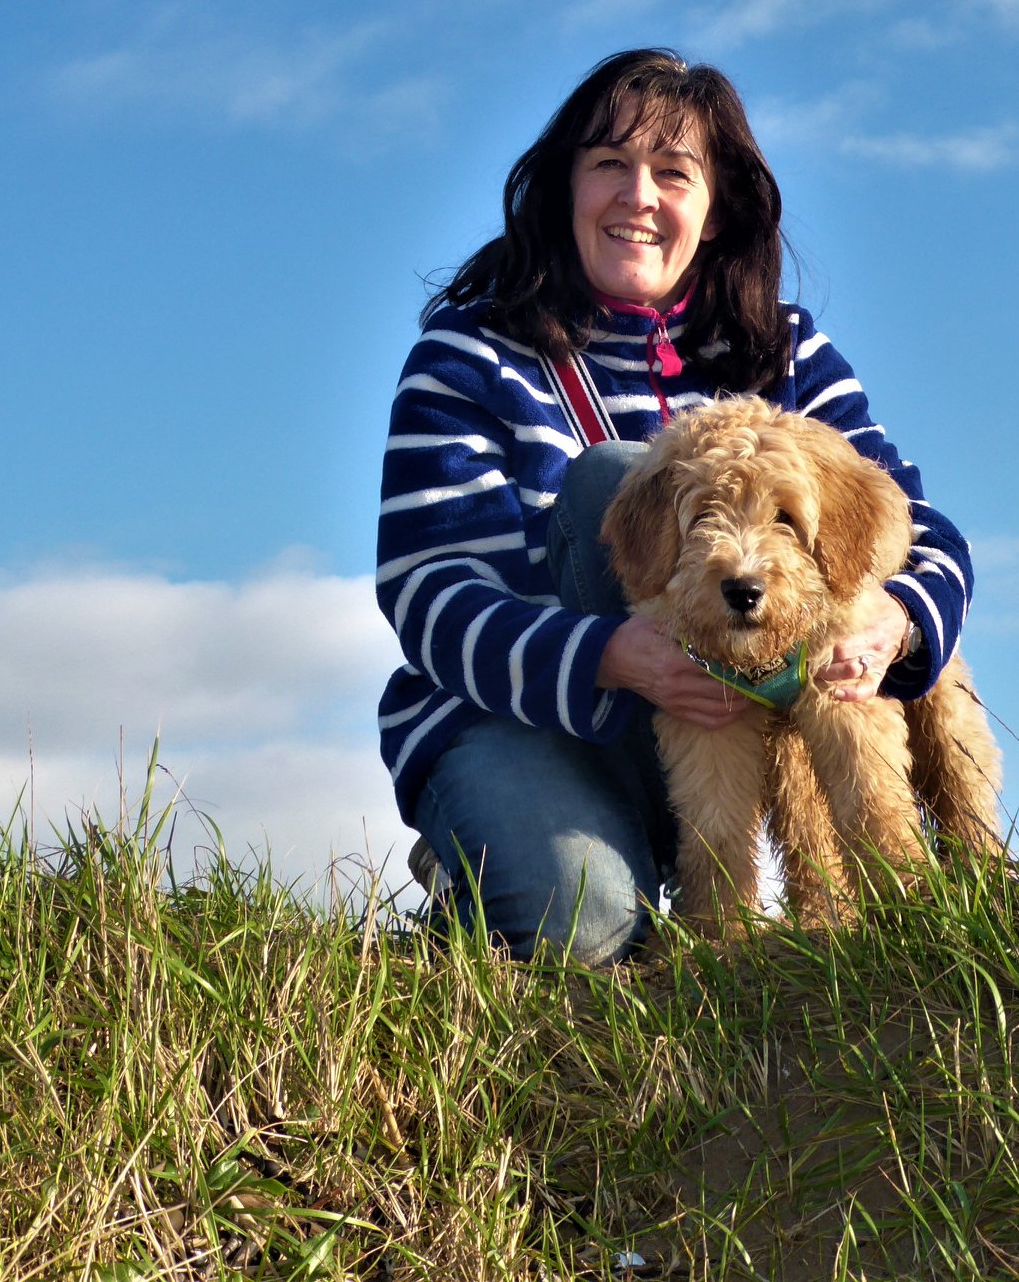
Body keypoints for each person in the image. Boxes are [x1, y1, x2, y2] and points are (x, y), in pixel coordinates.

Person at [376, 48, 973, 965]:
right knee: (587, 936)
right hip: (520, 718)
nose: (639, 197)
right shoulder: (468, 355)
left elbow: (911, 526)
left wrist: (891, 623)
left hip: (728, 709)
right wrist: (613, 654)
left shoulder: (786, 350)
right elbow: (430, 596)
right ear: (563, 187)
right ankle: (478, 863)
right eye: (610, 164)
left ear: (714, 202)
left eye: (673, 173)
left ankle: (862, 904)